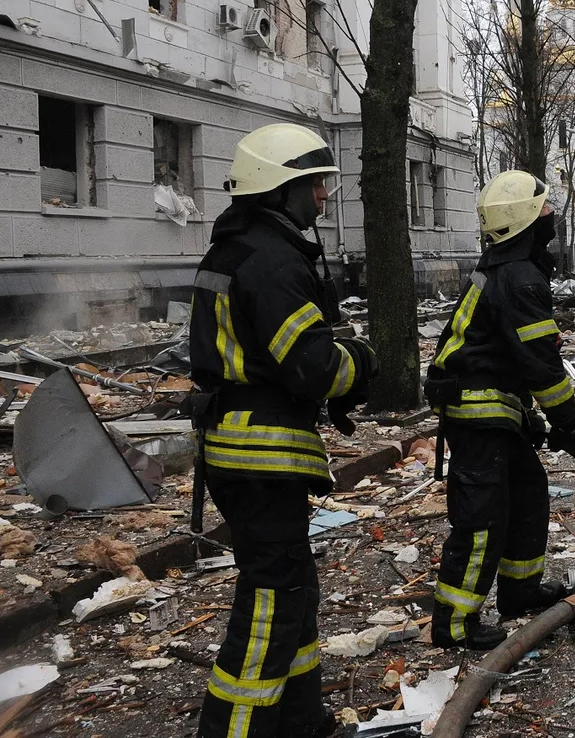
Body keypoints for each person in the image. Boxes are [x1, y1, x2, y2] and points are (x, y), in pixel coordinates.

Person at [190, 123, 375, 738]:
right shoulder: (270, 261)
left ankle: (300, 721)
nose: (323, 196)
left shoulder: (241, 247)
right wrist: (362, 367)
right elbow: (312, 364)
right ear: (279, 189)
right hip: (259, 451)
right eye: (314, 184)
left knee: (292, 587)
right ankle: (234, 728)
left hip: (239, 446)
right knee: (273, 596)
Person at [425, 170, 575, 650]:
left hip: (491, 409)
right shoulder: (518, 277)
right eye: (545, 209)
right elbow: (540, 364)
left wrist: (528, 419)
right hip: (478, 414)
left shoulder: (506, 268)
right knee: (481, 518)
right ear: (527, 220)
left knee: (529, 494)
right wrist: (566, 421)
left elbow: (506, 357)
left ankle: (520, 591)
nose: (552, 216)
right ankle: (453, 623)